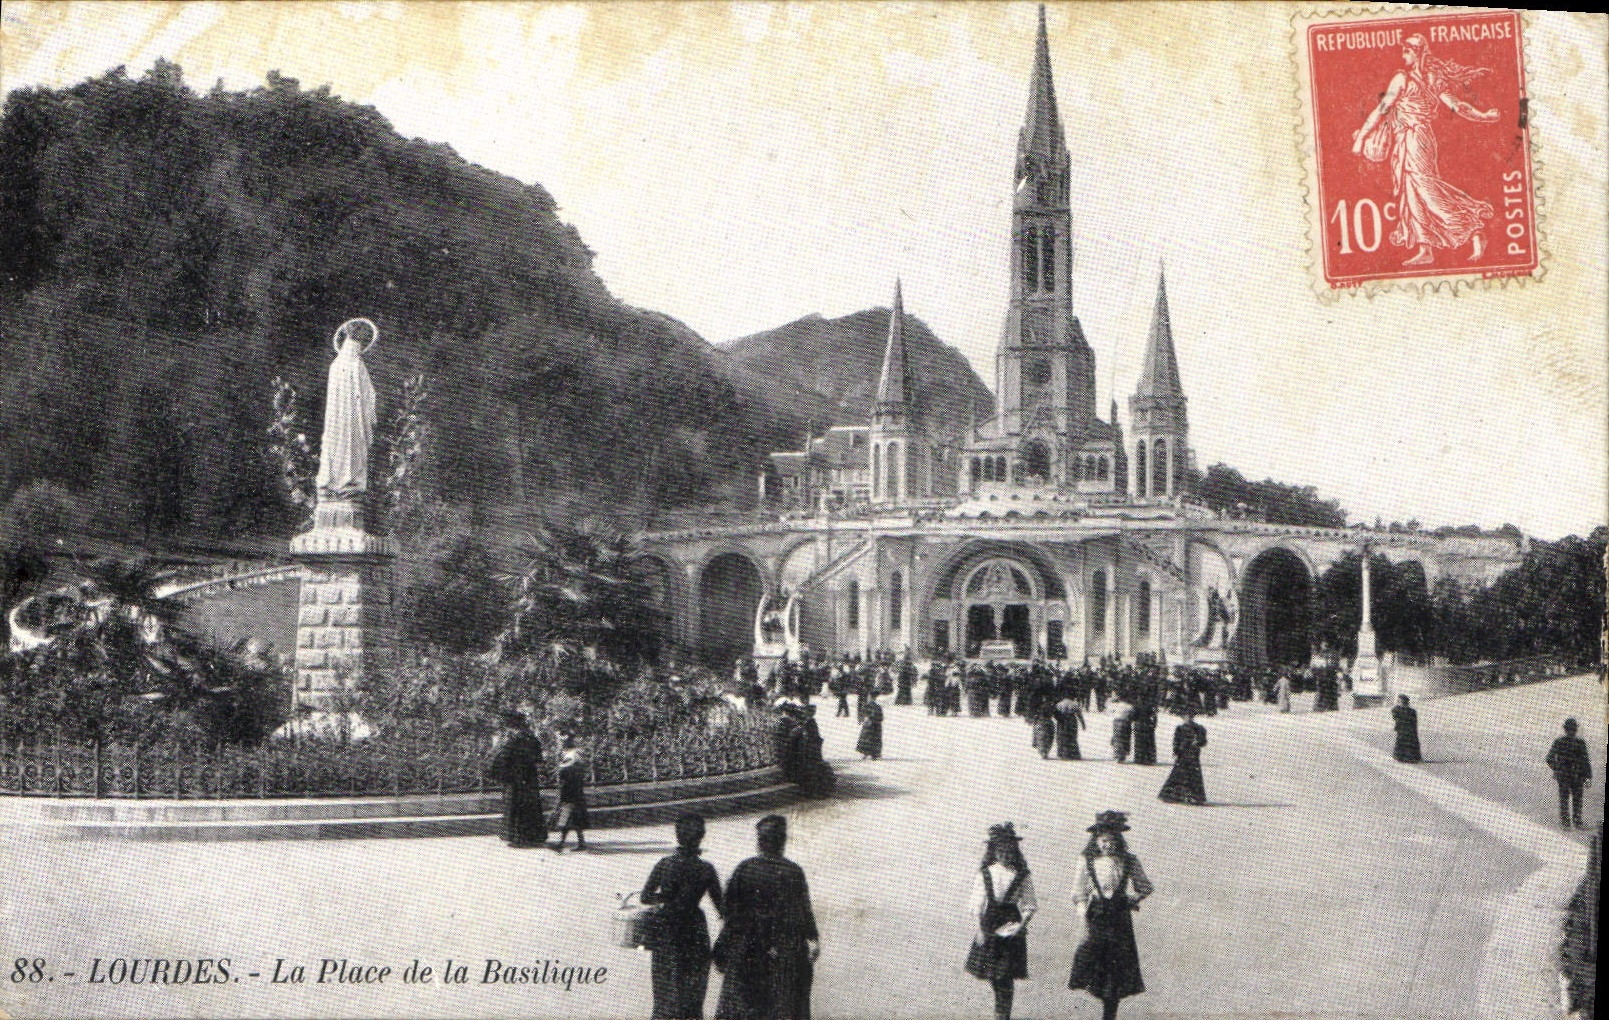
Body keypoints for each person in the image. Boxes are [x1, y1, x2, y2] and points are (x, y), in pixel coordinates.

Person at [1351, 34, 1499, 267]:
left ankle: (1472, 228)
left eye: (1407, 51)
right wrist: (1483, 116)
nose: (1403, 55)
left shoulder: (1405, 79)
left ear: (1417, 52)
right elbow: (1456, 106)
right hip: (1413, 139)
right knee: (1412, 191)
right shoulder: (1430, 78)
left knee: (1425, 190)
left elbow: (1381, 110)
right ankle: (1425, 248)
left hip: (1415, 139)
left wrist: (1361, 138)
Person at [714, 815, 819, 1020]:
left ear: (760, 842)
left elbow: (729, 912)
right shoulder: (793, 871)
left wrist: (723, 944)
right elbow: (803, 911)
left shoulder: (745, 868)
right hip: (783, 950)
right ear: (783, 842)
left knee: (744, 1006)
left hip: (747, 948)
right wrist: (813, 938)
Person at [1068, 811, 1152, 1020]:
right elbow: (1078, 894)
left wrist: (1133, 899)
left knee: (1116, 967)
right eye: (1104, 840)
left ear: (1120, 840)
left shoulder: (1129, 861)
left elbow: (1145, 887)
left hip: (1119, 918)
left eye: (1113, 840)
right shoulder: (1087, 861)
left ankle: (1109, 1013)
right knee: (1095, 963)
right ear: (1096, 840)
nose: (1108, 845)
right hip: (1095, 915)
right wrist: (1083, 917)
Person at [642, 814, 726, 1020]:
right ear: (702, 836)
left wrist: (666, 898)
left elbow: (645, 897)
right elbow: (724, 910)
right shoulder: (706, 869)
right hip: (694, 929)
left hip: (667, 929)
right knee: (693, 990)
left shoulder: (664, 864)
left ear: (677, 836)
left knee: (666, 989)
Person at [965, 823, 1037, 1020]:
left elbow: (1030, 905)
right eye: (1000, 850)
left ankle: (1002, 1014)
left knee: (1005, 975)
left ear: (1015, 850)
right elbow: (976, 905)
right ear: (993, 851)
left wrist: (1022, 926)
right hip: (989, 925)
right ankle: (1001, 1008)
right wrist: (979, 930)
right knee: (993, 973)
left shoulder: (1022, 875)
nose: (1005, 853)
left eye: (1008, 849)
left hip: (1012, 925)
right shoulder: (986, 873)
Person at [484, 711, 546, 848]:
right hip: (529, 778)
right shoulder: (532, 738)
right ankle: (534, 837)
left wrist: (500, 774)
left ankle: (518, 838)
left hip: (515, 779)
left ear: (513, 725)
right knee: (531, 807)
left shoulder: (513, 740)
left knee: (516, 807)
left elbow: (501, 759)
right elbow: (539, 759)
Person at [1546, 717, 1592, 829]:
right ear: (1575, 729)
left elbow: (1549, 758)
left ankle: (1566, 823)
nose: (1572, 731)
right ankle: (1577, 822)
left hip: (1565, 776)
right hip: (1576, 775)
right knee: (1576, 800)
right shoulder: (1580, 743)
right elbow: (1585, 761)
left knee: (1564, 799)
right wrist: (1588, 776)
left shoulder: (1559, 741)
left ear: (1565, 729)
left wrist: (1558, 769)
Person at [1157, 710, 1208, 806]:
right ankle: (1174, 795)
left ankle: (1193, 796)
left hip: (1193, 756)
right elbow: (1176, 741)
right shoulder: (1179, 728)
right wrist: (1176, 750)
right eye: (1186, 716)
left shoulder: (1199, 729)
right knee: (1178, 775)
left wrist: (1197, 742)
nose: (1188, 718)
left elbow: (1203, 741)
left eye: (1190, 716)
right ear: (1183, 717)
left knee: (1193, 776)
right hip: (1182, 755)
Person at [551, 736, 589, 851]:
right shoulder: (576, 755)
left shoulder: (570, 757)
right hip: (576, 791)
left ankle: (560, 844)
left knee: (566, 817)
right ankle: (580, 842)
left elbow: (563, 772)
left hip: (570, 791)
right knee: (573, 818)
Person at [1391, 695, 1422, 764]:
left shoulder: (1400, 710)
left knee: (1404, 743)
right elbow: (1395, 716)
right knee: (1405, 743)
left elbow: (1395, 716)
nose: (1399, 702)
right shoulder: (1410, 711)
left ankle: (1404, 757)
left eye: (1400, 701)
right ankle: (1407, 757)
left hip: (1406, 729)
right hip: (1406, 729)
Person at [1053, 692, 1084, 761]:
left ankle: (1062, 754)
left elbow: (1055, 713)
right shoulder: (1074, 704)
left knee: (1061, 737)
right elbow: (1079, 714)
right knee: (1072, 737)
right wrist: (1083, 724)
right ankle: (1073, 754)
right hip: (1072, 721)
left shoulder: (1059, 704)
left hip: (1062, 721)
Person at [856, 691, 884, 761]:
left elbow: (862, 713)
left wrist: (862, 719)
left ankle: (868, 753)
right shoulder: (877, 706)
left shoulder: (868, 705)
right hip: (875, 725)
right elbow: (881, 717)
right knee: (873, 739)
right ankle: (874, 754)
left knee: (868, 739)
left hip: (870, 725)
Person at [1130, 700, 1157, 766]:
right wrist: (1153, 725)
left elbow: (1132, 716)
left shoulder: (1136, 706)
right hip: (1148, 725)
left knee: (1139, 743)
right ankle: (1149, 759)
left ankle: (1139, 759)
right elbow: (1154, 716)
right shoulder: (1150, 706)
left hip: (1138, 726)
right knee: (1148, 743)